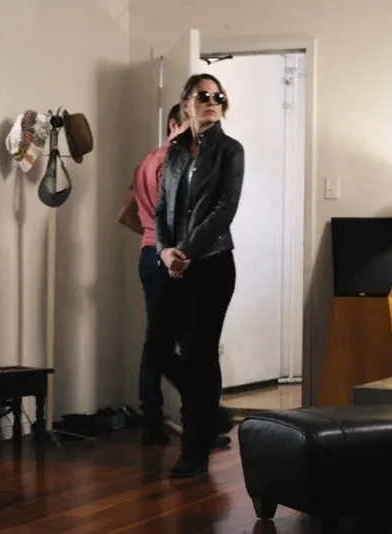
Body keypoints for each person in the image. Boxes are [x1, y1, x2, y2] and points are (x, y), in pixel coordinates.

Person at [145, 73, 244, 478]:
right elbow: (161, 209)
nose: (211, 101)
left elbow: (225, 210)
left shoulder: (230, 150)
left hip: (212, 265)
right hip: (173, 264)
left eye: (218, 96)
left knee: (200, 354)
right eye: (203, 96)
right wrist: (164, 250)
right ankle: (209, 412)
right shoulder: (174, 153)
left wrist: (185, 251)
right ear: (187, 102)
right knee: (158, 349)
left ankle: (194, 449)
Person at [118, 105, 233, 449]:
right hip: (178, 258)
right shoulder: (179, 162)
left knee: (158, 342)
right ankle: (200, 424)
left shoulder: (146, 162)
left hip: (149, 255)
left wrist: (152, 239)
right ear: (174, 124)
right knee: (193, 345)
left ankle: (153, 425)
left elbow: (125, 213)